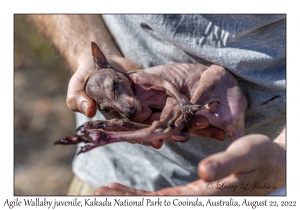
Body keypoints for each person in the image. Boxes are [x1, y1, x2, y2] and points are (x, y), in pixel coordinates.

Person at [30, 14, 286, 195]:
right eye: (109, 107)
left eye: (116, 88)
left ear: (102, 61)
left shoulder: (137, 79)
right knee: (159, 128)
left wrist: (285, 157)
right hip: (113, 172)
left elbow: (165, 86)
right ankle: (101, 138)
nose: (125, 106)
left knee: (206, 85)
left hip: (231, 107)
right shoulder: (121, 89)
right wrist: (81, 55)